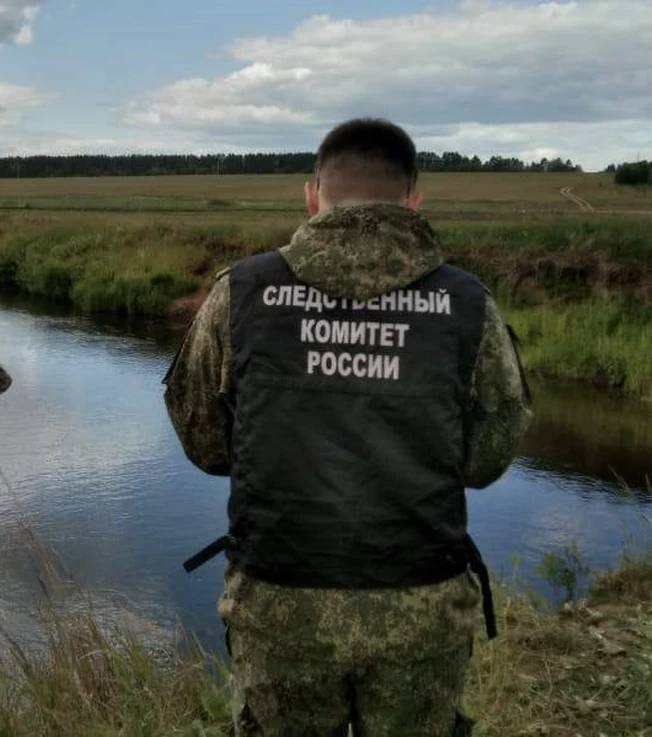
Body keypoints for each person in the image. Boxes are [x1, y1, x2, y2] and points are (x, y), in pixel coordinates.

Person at [162, 118, 533, 736]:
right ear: (414, 198)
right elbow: (486, 460)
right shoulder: (468, 304)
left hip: (280, 607)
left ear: (313, 194)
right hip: (423, 607)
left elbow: (202, 440)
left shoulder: (242, 293)